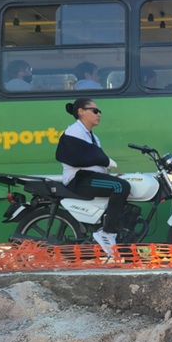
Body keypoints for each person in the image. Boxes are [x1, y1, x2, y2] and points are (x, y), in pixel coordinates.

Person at [55, 97, 130, 257]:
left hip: (89, 177)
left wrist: (110, 174)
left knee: (122, 184)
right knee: (120, 186)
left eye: (99, 111)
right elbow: (79, 157)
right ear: (81, 112)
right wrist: (106, 162)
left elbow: (93, 159)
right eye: (95, 111)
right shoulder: (74, 131)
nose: (99, 114)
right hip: (79, 179)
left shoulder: (92, 136)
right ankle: (107, 233)